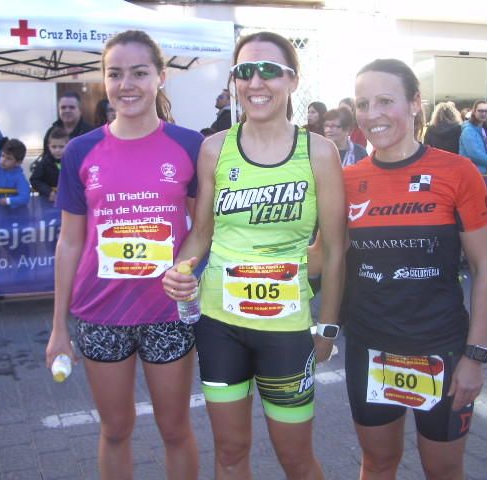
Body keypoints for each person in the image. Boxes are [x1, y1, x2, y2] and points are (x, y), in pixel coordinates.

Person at [162, 31, 346, 479]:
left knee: (296, 459)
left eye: (269, 70)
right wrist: (179, 269)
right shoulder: (214, 148)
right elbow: (201, 234)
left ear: (293, 81)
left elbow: (338, 250)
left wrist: (327, 327)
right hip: (219, 325)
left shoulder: (320, 152)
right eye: (244, 71)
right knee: (229, 453)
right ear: (234, 82)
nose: (256, 82)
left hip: (285, 330)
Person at [45, 30, 202, 480]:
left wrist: (191, 274)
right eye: (115, 74)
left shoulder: (190, 146)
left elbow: (203, 232)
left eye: (139, 72)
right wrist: (59, 328)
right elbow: (70, 242)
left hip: (168, 313)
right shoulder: (80, 150)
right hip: (99, 312)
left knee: (175, 430)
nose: (126, 84)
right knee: (115, 430)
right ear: (104, 80)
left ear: (161, 77)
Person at [342, 58, 487, 479]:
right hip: (369, 348)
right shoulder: (347, 180)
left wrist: (474, 357)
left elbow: (486, 269)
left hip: (442, 350)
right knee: (377, 464)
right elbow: (327, 255)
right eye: (362, 103)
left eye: (385, 101)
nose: (372, 114)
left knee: (442, 471)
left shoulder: (458, 172)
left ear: (414, 103)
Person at [459, 100, 487, 174]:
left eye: (486, 111)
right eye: (480, 111)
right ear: (474, 112)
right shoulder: (468, 131)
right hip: (472, 175)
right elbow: (474, 154)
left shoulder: (486, 129)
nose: (483, 114)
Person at [42, 91, 93, 156]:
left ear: (80, 110)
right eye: (63, 107)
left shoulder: (90, 133)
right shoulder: (51, 132)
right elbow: (46, 157)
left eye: (71, 107)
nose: (67, 110)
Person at [30, 127, 69, 202]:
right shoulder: (44, 163)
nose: (57, 150)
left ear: (68, 145)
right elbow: (34, 180)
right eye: (54, 147)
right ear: (49, 146)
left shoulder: (72, 162)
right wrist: (48, 192)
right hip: (48, 202)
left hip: (69, 202)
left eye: (61, 147)